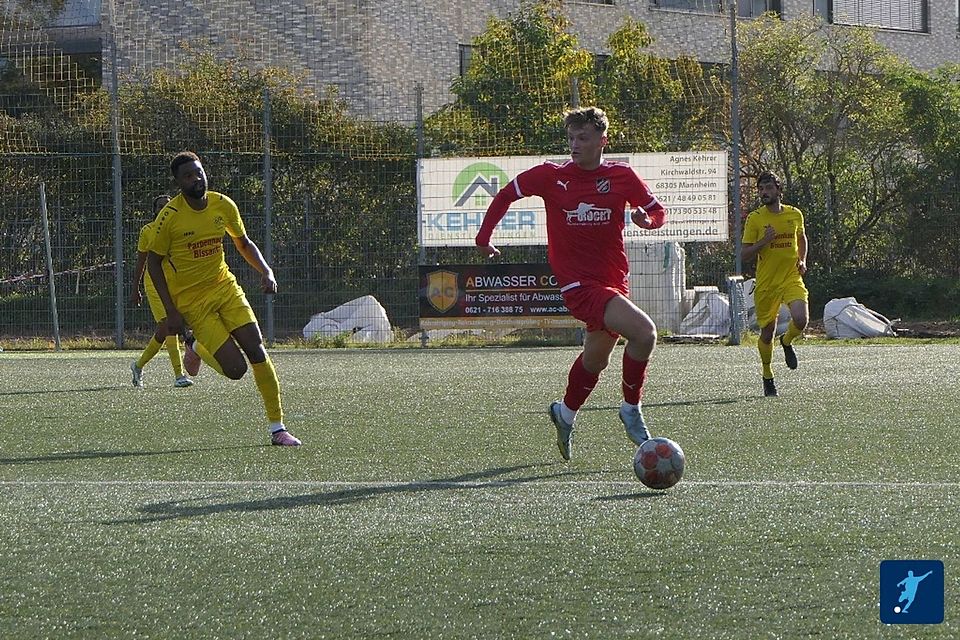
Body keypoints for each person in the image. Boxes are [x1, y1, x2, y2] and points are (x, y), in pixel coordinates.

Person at [475, 106, 667, 461]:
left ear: (602, 141)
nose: (574, 145)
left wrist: (647, 221)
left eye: (583, 138)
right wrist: (483, 237)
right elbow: (505, 195)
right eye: (571, 138)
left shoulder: (622, 177)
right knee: (645, 333)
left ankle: (564, 413)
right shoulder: (550, 176)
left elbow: (658, 210)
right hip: (577, 285)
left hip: (613, 281)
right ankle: (630, 410)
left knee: (595, 362)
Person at [147, 151, 301, 446]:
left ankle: (277, 428)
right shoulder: (169, 218)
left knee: (257, 349)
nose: (196, 179)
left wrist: (266, 271)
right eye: (188, 176)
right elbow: (154, 263)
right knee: (236, 370)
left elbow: (242, 242)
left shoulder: (222, 204)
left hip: (225, 288)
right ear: (178, 182)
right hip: (192, 302)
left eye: (198, 172)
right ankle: (194, 345)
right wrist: (171, 312)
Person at [740, 171, 809, 397]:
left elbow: (801, 239)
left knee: (801, 319)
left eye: (768, 188)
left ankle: (787, 341)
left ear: (779, 190)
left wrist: (803, 259)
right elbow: (745, 254)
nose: (764, 192)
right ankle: (768, 375)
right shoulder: (755, 218)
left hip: (790, 276)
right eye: (761, 189)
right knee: (767, 332)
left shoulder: (794, 214)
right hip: (767, 282)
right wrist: (765, 241)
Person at [129, 194, 193, 388]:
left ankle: (138, 366)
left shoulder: (178, 230)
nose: (164, 208)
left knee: (163, 331)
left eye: (168, 205)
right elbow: (141, 262)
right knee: (169, 324)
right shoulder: (147, 231)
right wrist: (135, 288)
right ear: (155, 211)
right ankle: (179, 375)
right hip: (154, 284)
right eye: (160, 206)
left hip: (174, 283)